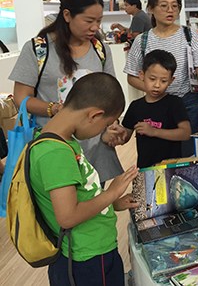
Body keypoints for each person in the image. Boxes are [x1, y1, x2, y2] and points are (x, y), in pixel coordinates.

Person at [29, 72, 138, 286]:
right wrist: (111, 192)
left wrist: (114, 203)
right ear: (94, 115)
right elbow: (67, 217)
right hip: (87, 258)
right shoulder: (55, 153)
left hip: (92, 250)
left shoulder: (61, 139)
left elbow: (79, 196)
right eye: (105, 124)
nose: (102, 131)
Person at [9, 0, 125, 184]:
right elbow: (21, 98)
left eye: (99, 21)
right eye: (88, 21)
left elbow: (110, 96)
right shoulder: (38, 49)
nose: (95, 27)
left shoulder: (100, 49)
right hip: (54, 146)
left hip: (95, 148)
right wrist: (54, 109)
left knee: (95, 205)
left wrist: (112, 126)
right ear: (67, 15)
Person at [124, 0, 198, 156]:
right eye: (164, 6)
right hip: (156, 106)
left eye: (175, 6)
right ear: (151, 9)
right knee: (158, 150)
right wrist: (155, 90)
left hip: (188, 102)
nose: (170, 10)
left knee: (187, 151)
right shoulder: (142, 41)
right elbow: (132, 77)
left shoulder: (190, 35)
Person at [122, 49, 191, 168]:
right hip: (145, 168)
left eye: (163, 81)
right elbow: (125, 136)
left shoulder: (174, 103)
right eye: (152, 79)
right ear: (142, 75)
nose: (157, 85)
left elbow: (185, 133)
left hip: (171, 168)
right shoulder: (135, 106)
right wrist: (116, 133)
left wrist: (154, 131)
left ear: (171, 80)